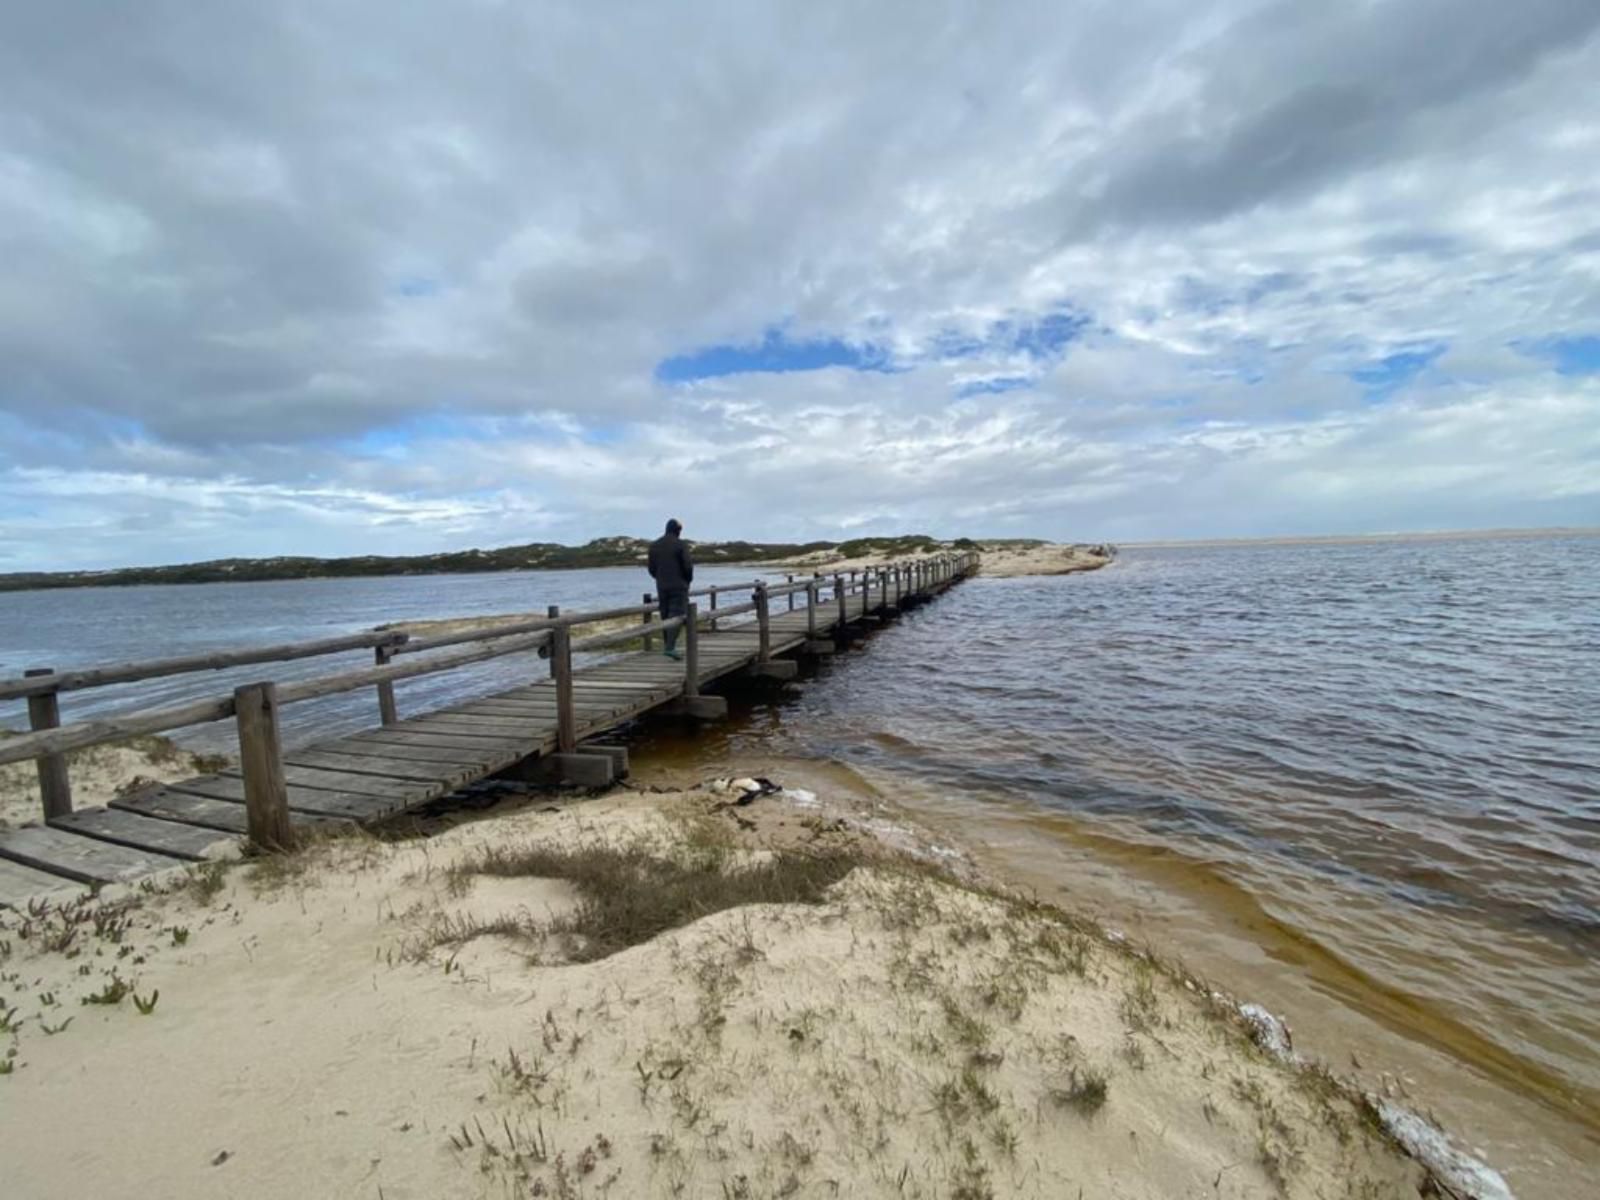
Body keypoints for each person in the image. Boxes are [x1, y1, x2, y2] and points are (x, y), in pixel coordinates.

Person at [647, 518, 694, 660]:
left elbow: (651, 569)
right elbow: (688, 566)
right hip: (679, 586)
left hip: (662, 585)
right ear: (677, 530)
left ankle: (668, 645)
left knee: (665, 614)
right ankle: (670, 648)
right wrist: (687, 580)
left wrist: (660, 578)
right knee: (677, 614)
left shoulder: (654, 546)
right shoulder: (681, 545)